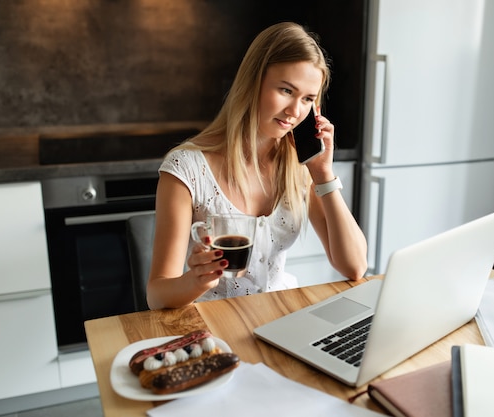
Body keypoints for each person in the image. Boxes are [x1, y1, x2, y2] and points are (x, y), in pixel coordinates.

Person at [147, 22, 367, 309]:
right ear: (253, 82)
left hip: (279, 320)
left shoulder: (300, 167)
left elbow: (354, 266)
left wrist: (324, 174)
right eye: (286, 90)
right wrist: (197, 281)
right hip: (213, 328)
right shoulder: (186, 168)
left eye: (308, 99)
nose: (295, 111)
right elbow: (157, 295)